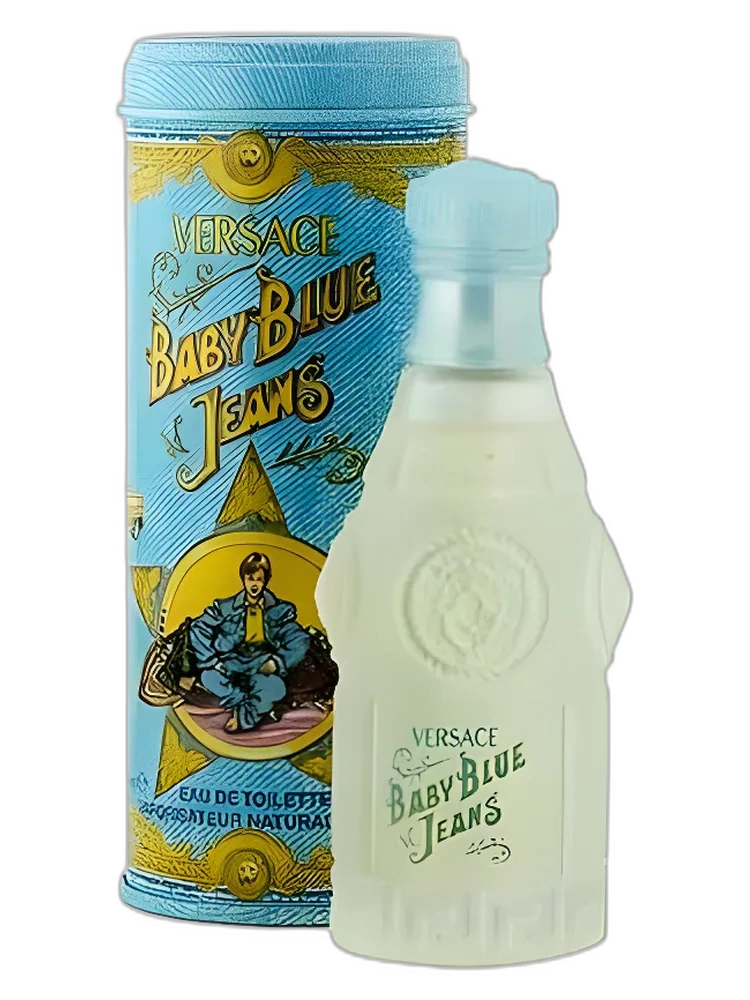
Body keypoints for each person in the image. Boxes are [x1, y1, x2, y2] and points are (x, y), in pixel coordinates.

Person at [189, 552, 311, 732]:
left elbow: (301, 640)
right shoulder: (225, 608)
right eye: (250, 578)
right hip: (229, 666)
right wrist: (212, 661)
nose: (254, 584)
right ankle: (244, 703)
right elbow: (198, 628)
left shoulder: (278, 611)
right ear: (243, 579)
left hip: (259, 666)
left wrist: (276, 662)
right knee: (209, 677)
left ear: (266, 580)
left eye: (259, 579)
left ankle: (243, 717)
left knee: (277, 688)